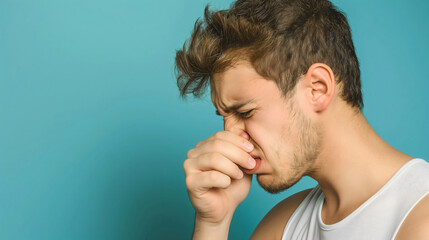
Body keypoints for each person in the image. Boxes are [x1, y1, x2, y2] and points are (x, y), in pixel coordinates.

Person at [174, 0, 429, 239]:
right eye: (225, 117)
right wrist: (213, 223)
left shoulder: (420, 218)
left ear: (317, 88)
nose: (230, 135)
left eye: (245, 113)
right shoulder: (282, 226)